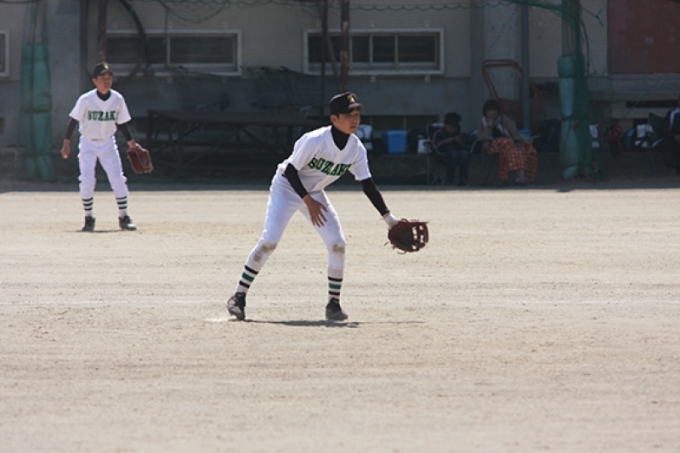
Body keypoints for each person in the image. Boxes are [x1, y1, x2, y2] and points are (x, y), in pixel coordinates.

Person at [226, 92, 403, 322]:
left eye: (357, 114)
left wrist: (389, 219)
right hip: (286, 188)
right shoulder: (315, 140)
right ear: (334, 119)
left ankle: (333, 304)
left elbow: (367, 184)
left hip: (314, 193)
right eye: (348, 115)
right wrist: (308, 201)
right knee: (270, 240)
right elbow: (290, 171)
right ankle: (238, 297)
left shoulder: (356, 149)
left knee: (337, 244)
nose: (354, 120)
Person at [61, 62, 138, 232]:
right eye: (103, 78)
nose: (107, 81)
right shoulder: (86, 99)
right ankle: (89, 217)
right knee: (87, 180)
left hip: (108, 143)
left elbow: (122, 123)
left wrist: (131, 143)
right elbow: (73, 120)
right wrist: (66, 143)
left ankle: (124, 216)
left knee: (118, 178)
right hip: (88, 143)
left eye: (109, 78)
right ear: (95, 81)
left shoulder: (117, 99)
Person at [477, 99, 538, 184]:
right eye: (490, 110)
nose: (493, 112)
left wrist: (517, 141)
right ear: (486, 112)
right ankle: (519, 175)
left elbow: (513, 132)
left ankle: (522, 175)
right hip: (492, 146)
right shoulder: (482, 123)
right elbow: (482, 138)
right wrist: (489, 126)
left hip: (509, 145)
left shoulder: (504, 119)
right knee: (507, 143)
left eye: (495, 110)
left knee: (524, 148)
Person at [431, 112, 470, 186]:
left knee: (464, 154)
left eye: (454, 128)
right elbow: (433, 146)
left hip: (457, 153)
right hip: (443, 154)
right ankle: (450, 179)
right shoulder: (439, 133)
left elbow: (466, 146)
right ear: (446, 125)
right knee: (453, 154)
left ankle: (463, 178)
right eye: (451, 127)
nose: (452, 130)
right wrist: (444, 142)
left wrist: (460, 142)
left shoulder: (458, 133)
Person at [656, 94, 680, 172]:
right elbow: (663, 129)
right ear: (678, 102)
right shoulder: (672, 113)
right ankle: (671, 166)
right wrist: (674, 136)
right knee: (667, 143)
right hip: (673, 139)